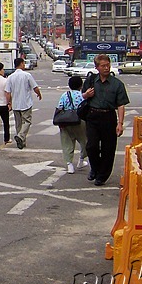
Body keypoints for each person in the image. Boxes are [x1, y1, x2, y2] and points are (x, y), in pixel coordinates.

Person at [81, 54, 129, 186]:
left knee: (108, 148)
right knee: (91, 146)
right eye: (103, 66)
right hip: (92, 115)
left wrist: (120, 123)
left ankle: (102, 175)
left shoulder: (117, 84)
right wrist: (86, 95)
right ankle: (95, 169)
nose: (106, 68)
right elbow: (82, 96)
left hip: (108, 117)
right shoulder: (91, 80)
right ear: (97, 67)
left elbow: (121, 104)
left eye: (108, 65)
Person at [5, 57, 41, 150]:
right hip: (26, 102)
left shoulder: (10, 77)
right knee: (27, 121)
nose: (24, 65)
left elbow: (8, 92)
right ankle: (21, 136)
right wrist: (39, 94)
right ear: (21, 64)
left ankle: (21, 141)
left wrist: (9, 102)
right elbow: (35, 87)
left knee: (18, 123)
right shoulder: (27, 75)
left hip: (16, 103)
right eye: (23, 63)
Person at [56, 76, 89, 174]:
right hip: (80, 121)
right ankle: (81, 160)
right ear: (81, 85)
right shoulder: (82, 96)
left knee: (67, 143)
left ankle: (69, 165)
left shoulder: (64, 95)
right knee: (85, 142)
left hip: (65, 122)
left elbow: (59, 107)